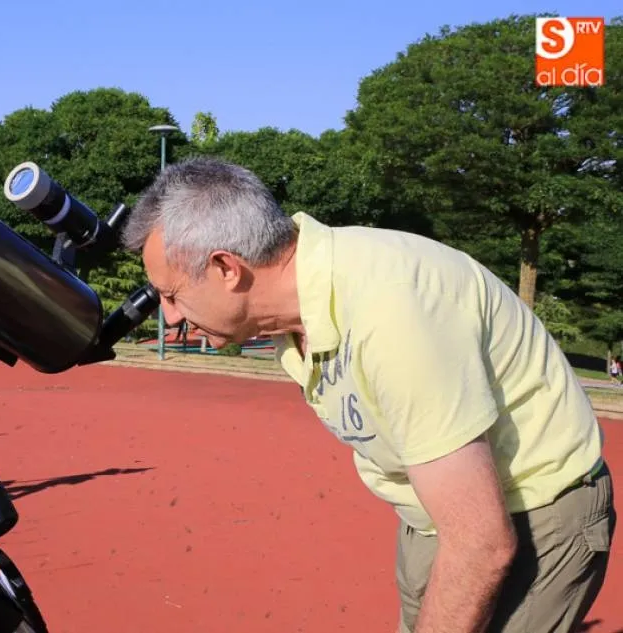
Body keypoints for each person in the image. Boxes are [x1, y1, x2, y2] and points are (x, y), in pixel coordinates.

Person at [120, 156, 615, 633]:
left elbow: (481, 544)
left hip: (535, 510)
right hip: (436, 515)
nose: (170, 318)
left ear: (227, 268)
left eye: (172, 294)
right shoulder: (294, 312)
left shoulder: (389, 309)